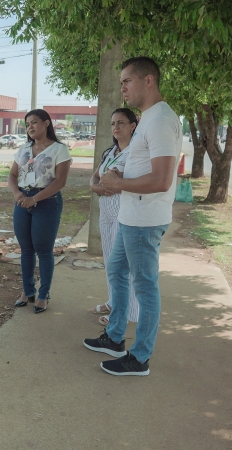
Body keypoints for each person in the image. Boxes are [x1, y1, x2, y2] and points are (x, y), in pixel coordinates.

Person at [83, 56, 181, 376]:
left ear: (148, 80)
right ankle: (115, 338)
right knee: (116, 271)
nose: (122, 87)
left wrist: (119, 183)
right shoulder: (148, 118)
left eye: (127, 81)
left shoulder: (161, 120)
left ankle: (139, 358)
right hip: (131, 215)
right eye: (121, 82)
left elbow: (162, 180)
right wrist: (118, 174)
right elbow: (140, 165)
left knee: (145, 288)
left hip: (145, 219)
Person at [8, 109, 72, 314]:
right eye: (27, 124)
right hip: (22, 202)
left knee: (44, 250)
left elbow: (60, 181)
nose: (30, 127)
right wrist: (17, 194)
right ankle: (28, 291)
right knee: (26, 249)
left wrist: (34, 199)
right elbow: (12, 175)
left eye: (34, 122)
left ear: (46, 123)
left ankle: (43, 295)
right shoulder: (23, 149)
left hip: (47, 202)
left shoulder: (59, 150)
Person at [89, 108, 139, 327]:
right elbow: (95, 177)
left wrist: (117, 182)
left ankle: (126, 312)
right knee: (110, 262)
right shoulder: (110, 152)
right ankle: (113, 301)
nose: (116, 127)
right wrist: (96, 187)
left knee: (123, 266)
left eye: (121, 123)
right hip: (106, 211)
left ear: (133, 126)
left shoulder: (136, 153)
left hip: (124, 211)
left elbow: (137, 181)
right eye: (112, 124)